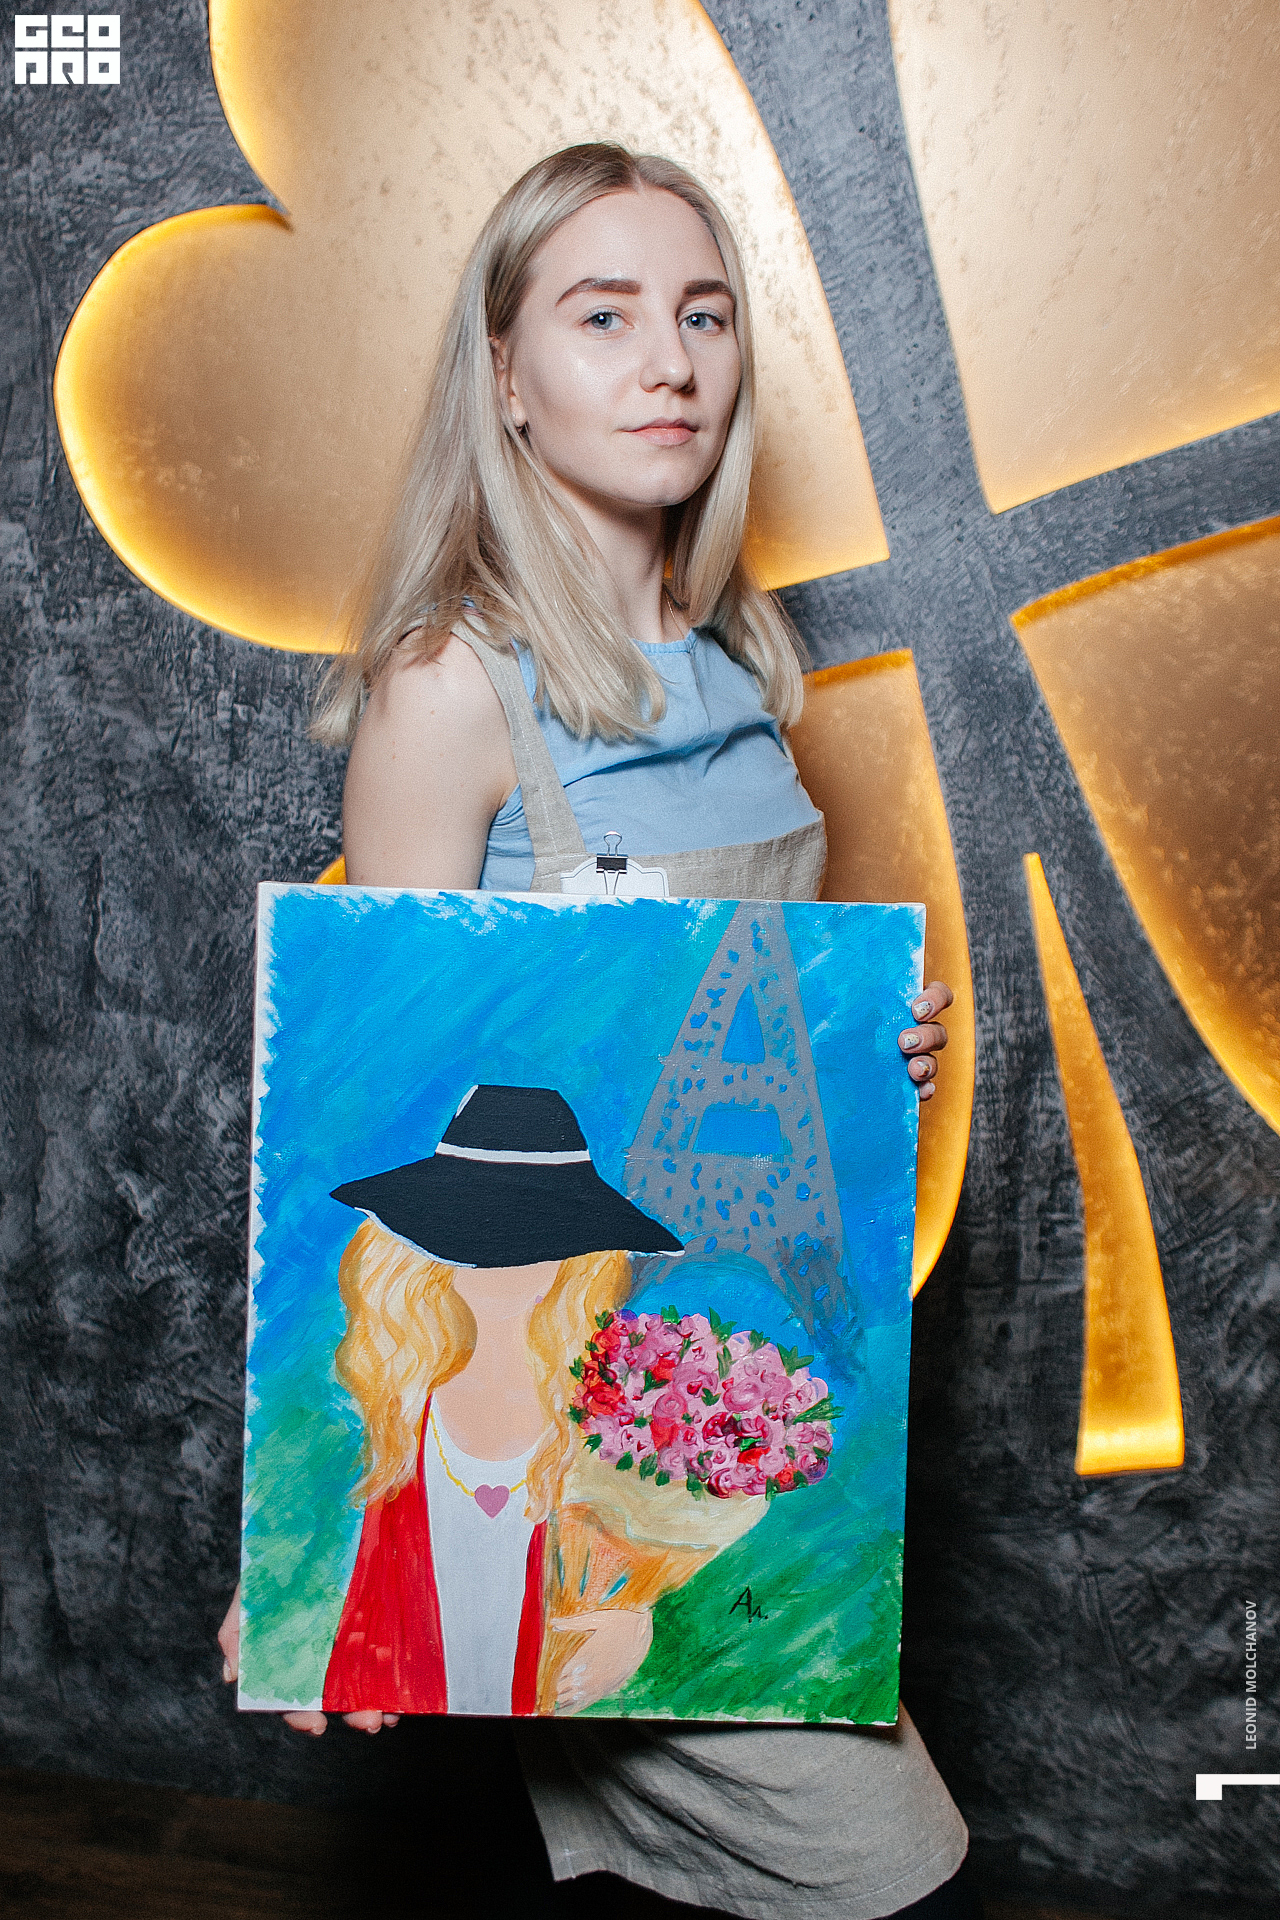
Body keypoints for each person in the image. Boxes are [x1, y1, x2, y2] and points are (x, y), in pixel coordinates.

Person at [220, 143, 967, 1918]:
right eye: (605, 316)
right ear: (508, 377)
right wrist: (311, 1543)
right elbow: (380, 1107)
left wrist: (865, 1058)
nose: (670, 363)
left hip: (724, 1381)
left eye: (703, 315)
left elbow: (727, 1027)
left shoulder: (741, 667)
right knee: (896, 1874)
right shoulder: (452, 685)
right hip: (546, 1412)